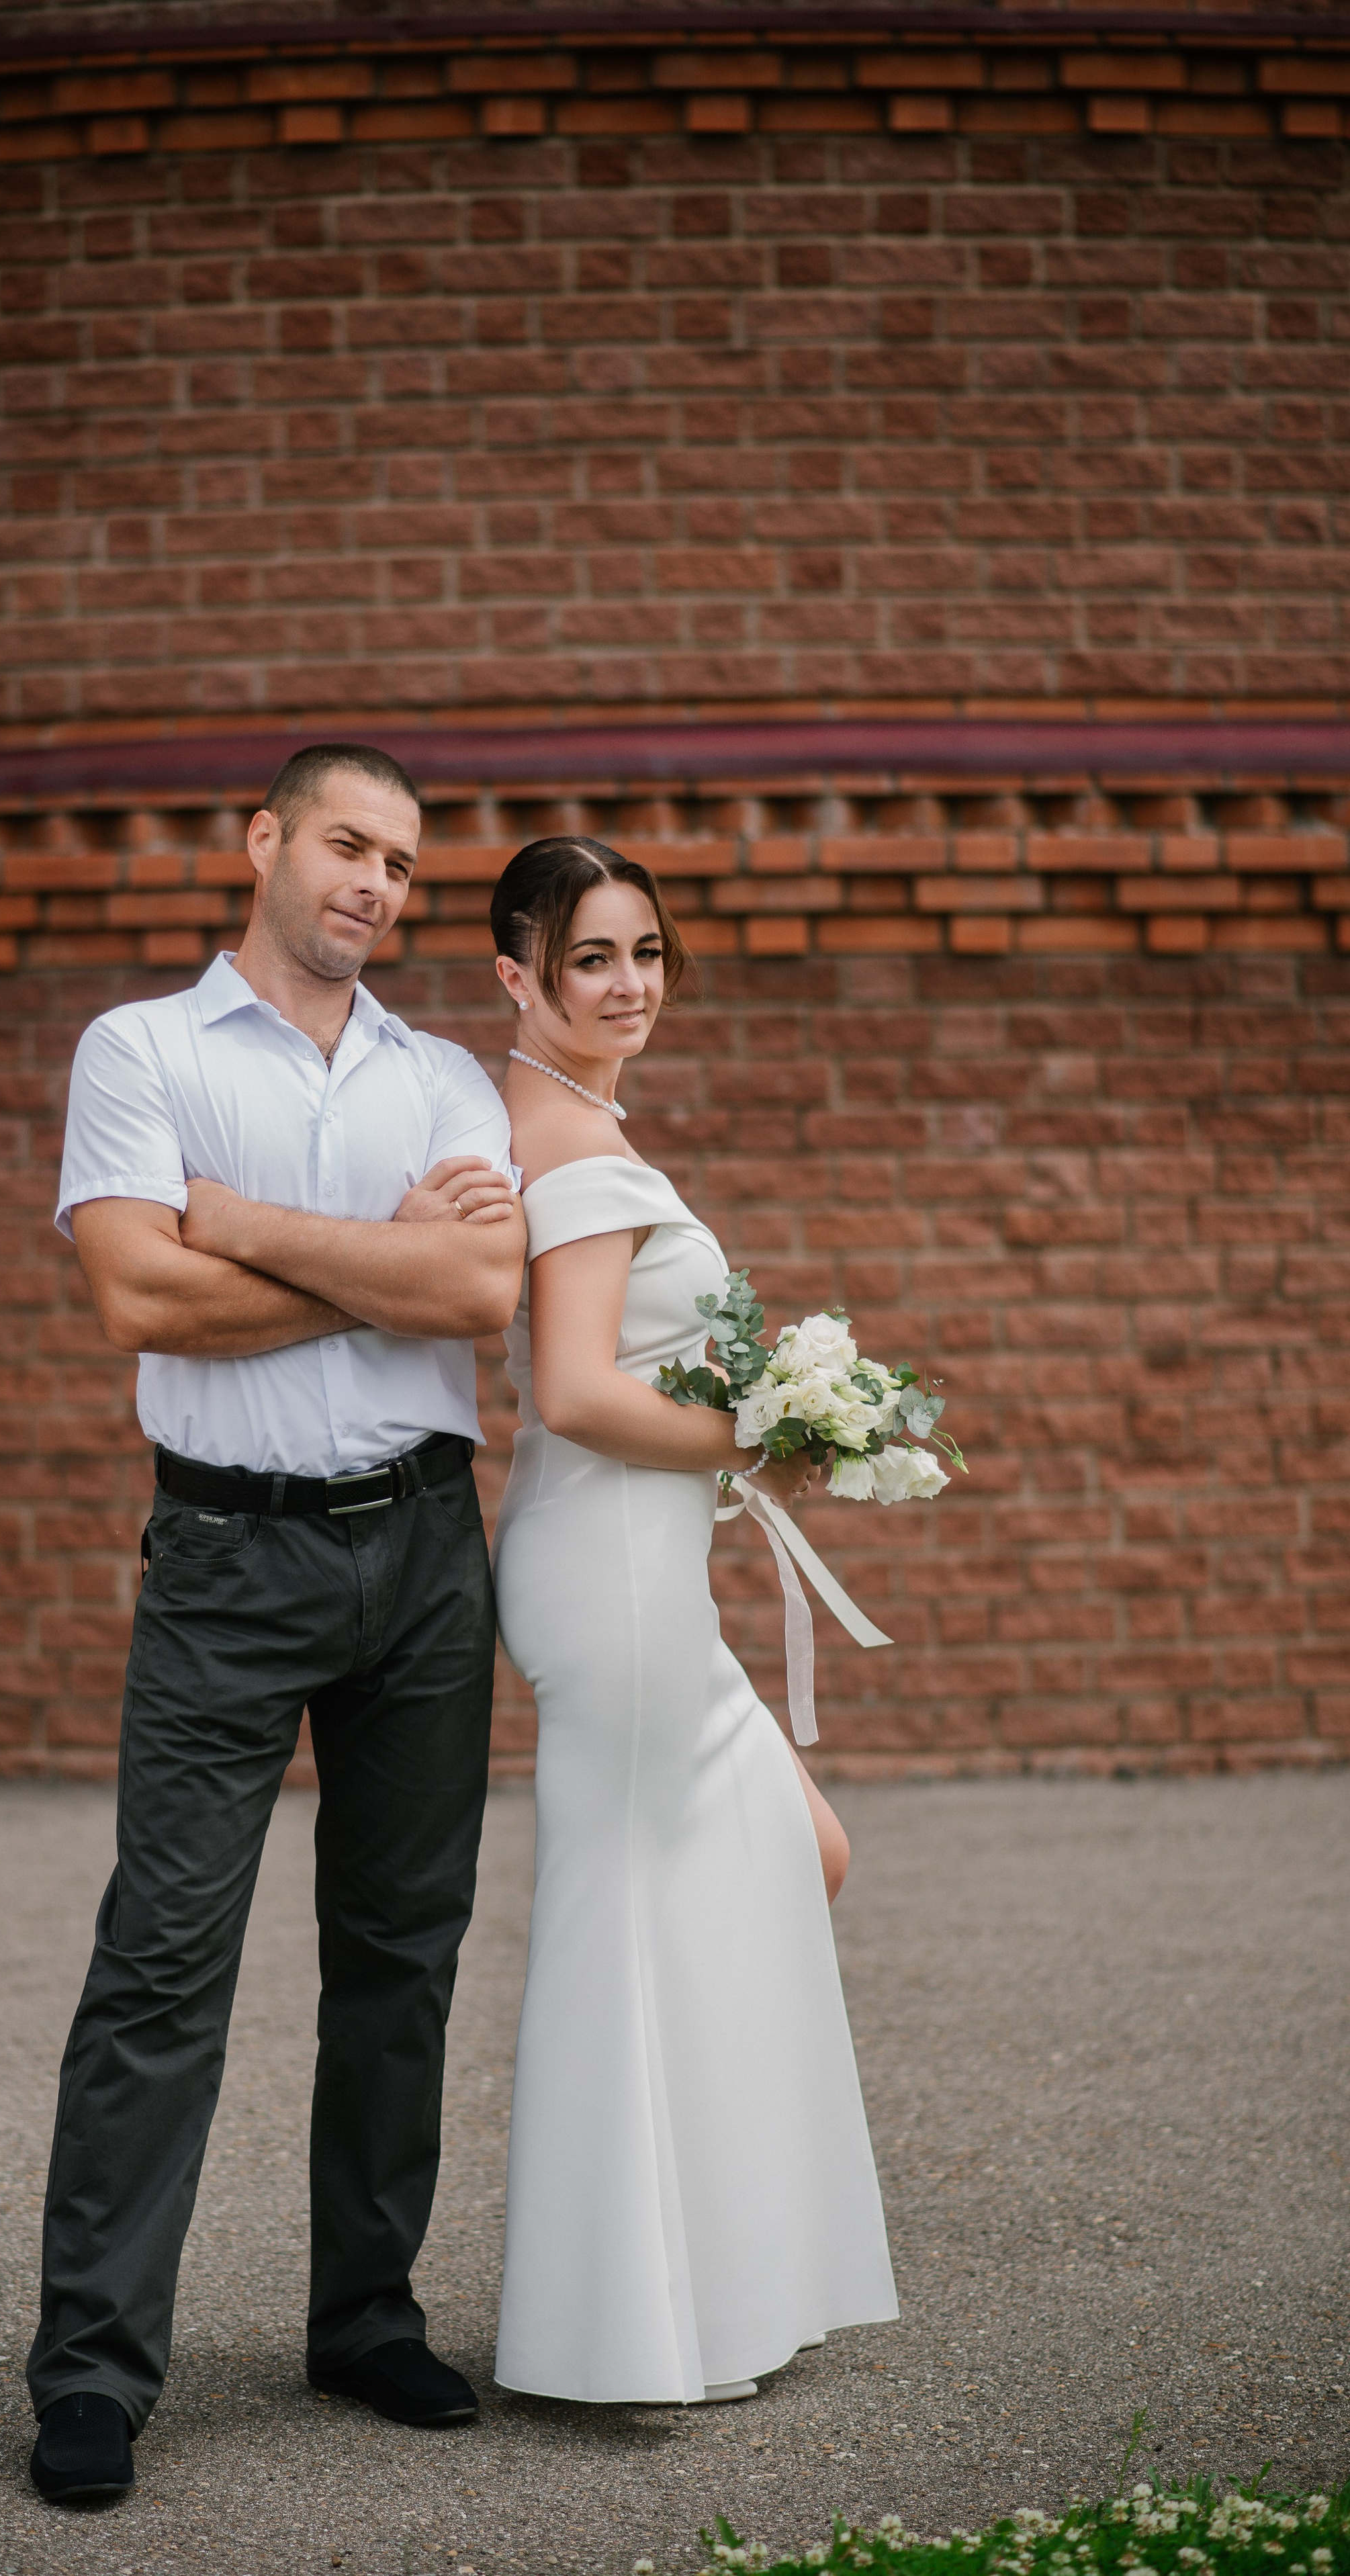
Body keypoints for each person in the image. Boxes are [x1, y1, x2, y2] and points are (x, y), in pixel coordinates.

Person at [27, 744, 526, 2503]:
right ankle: (92, 2370)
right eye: (347, 844)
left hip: (424, 1563)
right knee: (162, 1965)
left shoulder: (450, 1074)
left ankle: (367, 2314)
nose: (378, 884)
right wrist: (355, 1260)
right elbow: (133, 1289)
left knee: (404, 1954)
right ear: (264, 842)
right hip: (227, 1561)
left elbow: (475, 1287)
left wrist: (238, 1223)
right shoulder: (140, 1051)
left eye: (403, 862)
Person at [487, 835, 897, 2407]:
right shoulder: (576, 1150)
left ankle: (706, 2269)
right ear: (518, 970)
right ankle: (619, 2325)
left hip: (628, 1565)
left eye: (646, 951)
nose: (630, 983)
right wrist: (765, 1437)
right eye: (593, 956)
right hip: (612, 1571)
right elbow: (583, 1390)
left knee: (790, 1855)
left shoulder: (555, 1114)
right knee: (628, 1918)